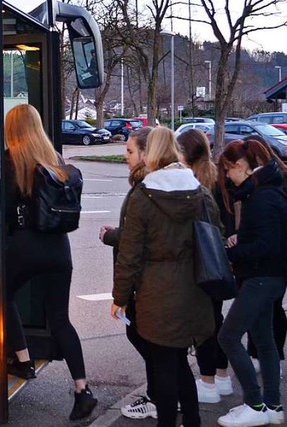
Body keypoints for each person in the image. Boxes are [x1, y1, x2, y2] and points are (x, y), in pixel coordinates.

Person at [112, 126, 217, 427]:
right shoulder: (201, 193)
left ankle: (167, 422)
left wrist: (119, 297)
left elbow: (129, 254)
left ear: (152, 154)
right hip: (194, 291)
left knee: (164, 365)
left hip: (156, 294)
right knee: (180, 361)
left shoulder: (143, 197)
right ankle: (193, 421)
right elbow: (215, 237)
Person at [4, 104, 97, 421]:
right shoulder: (55, 158)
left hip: (26, 246)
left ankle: (22, 359)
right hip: (59, 248)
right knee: (60, 319)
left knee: (0, 294)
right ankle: (83, 390)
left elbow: (4, 213)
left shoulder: (10, 160)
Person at [215, 139, 287, 427]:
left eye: (228, 170)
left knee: (228, 337)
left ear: (242, 167)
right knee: (264, 340)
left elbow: (266, 244)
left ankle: (255, 405)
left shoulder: (262, 197)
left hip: (260, 277)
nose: (228, 177)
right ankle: (272, 405)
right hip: (269, 277)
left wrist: (231, 251)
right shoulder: (269, 191)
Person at [99, 126, 159, 420]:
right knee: (144, 337)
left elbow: (137, 240)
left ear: (146, 154)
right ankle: (160, 393)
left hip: (144, 280)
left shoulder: (146, 188)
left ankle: (160, 396)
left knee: (143, 337)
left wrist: (112, 236)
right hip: (147, 279)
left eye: (130, 151)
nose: (126, 156)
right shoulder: (146, 184)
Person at [177, 129, 233, 404]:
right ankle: (223, 378)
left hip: (201, 261)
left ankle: (208, 382)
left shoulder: (193, 183)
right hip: (219, 260)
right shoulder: (217, 175)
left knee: (204, 327)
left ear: (186, 153)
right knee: (217, 321)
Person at [241, 135, 287, 377]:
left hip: (271, 259)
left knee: (267, 310)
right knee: (270, 309)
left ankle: (268, 358)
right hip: (275, 257)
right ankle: (269, 357)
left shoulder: (267, 186)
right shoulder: (277, 175)